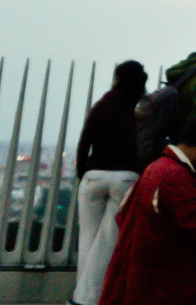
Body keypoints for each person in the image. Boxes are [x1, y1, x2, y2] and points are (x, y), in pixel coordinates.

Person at [99, 112, 196, 305]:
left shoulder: (155, 168)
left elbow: (122, 217)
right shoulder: (176, 177)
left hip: (139, 280)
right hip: (163, 286)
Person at [71, 61, 146, 305]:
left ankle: (82, 297)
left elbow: (85, 142)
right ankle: (94, 296)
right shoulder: (141, 109)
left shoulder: (102, 105)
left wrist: (84, 172)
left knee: (88, 238)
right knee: (108, 241)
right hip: (126, 178)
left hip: (95, 175)